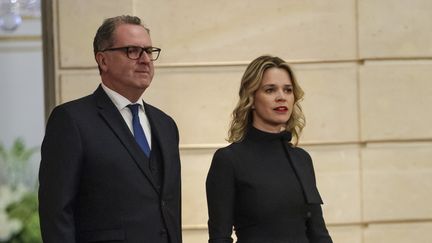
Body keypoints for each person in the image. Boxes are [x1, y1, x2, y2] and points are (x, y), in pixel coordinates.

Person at [39, 15, 182, 243]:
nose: (145, 60)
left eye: (149, 51)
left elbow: (168, 206)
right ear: (103, 60)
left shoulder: (166, 125)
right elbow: (56, 212)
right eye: (132, 51)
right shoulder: (71, 120)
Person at [206, 55, 332, 243]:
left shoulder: (302, 159)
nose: (281, 97)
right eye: (270, 90)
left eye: (288, 90)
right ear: (251, 98)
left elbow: (318, 233)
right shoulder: (228, 160)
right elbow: (219, 237)